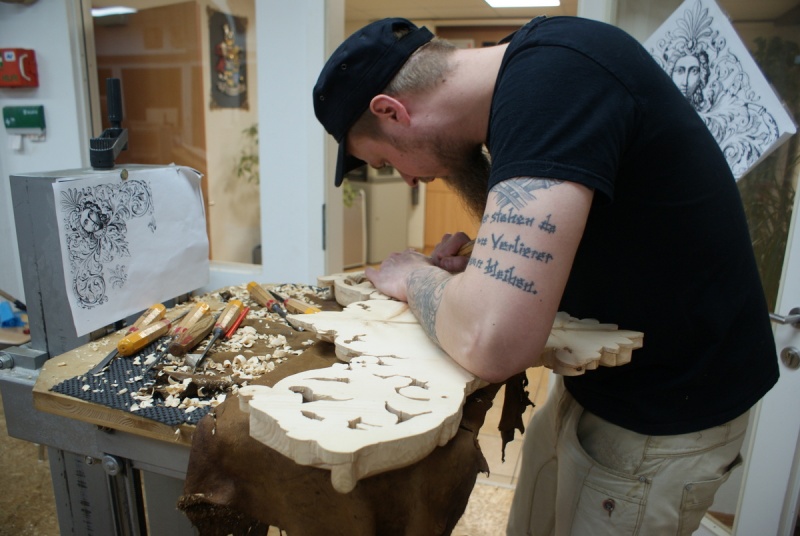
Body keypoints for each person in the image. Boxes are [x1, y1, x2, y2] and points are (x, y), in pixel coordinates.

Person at [313, 16, 779, 535]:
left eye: (385, 160)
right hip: (602, 385)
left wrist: (413, 277)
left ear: (391, 111)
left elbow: (492, 340)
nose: (408, 179)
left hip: (666, 406)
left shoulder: (553, 84)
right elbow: (605, 234)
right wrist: (484, 272)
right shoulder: (529, 75)